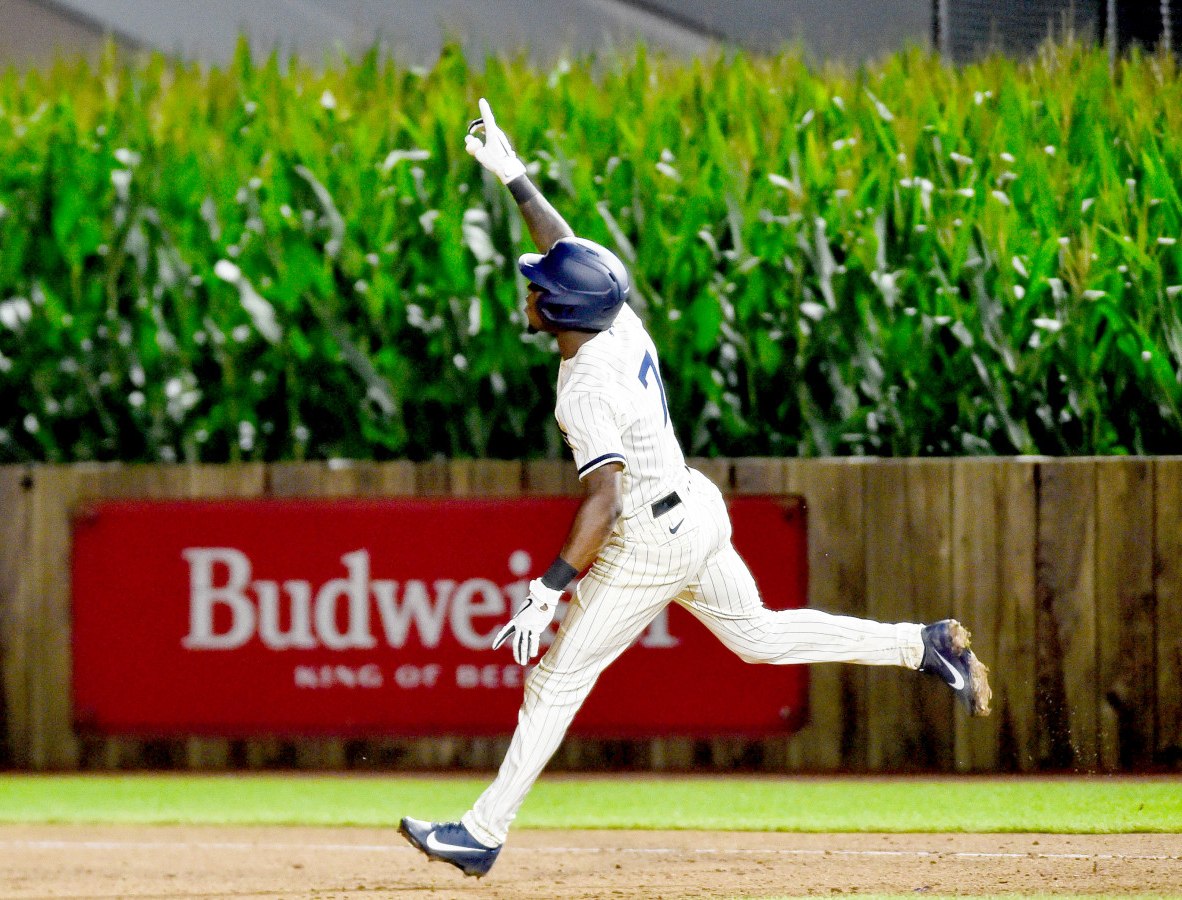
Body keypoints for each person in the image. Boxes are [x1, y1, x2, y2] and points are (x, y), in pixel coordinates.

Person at [399, 99, 992, 878]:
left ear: (563, 309)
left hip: (647, 534)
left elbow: (604, 501)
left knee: (555, 676)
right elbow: (569, 250)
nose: (532, 289)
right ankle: (920, 645)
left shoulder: (581, 388)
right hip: (696, 509)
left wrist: (550, 589)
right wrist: (512, 174)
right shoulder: (618, 318)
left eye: (540, 288)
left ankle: (482, 832)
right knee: (758, 637)